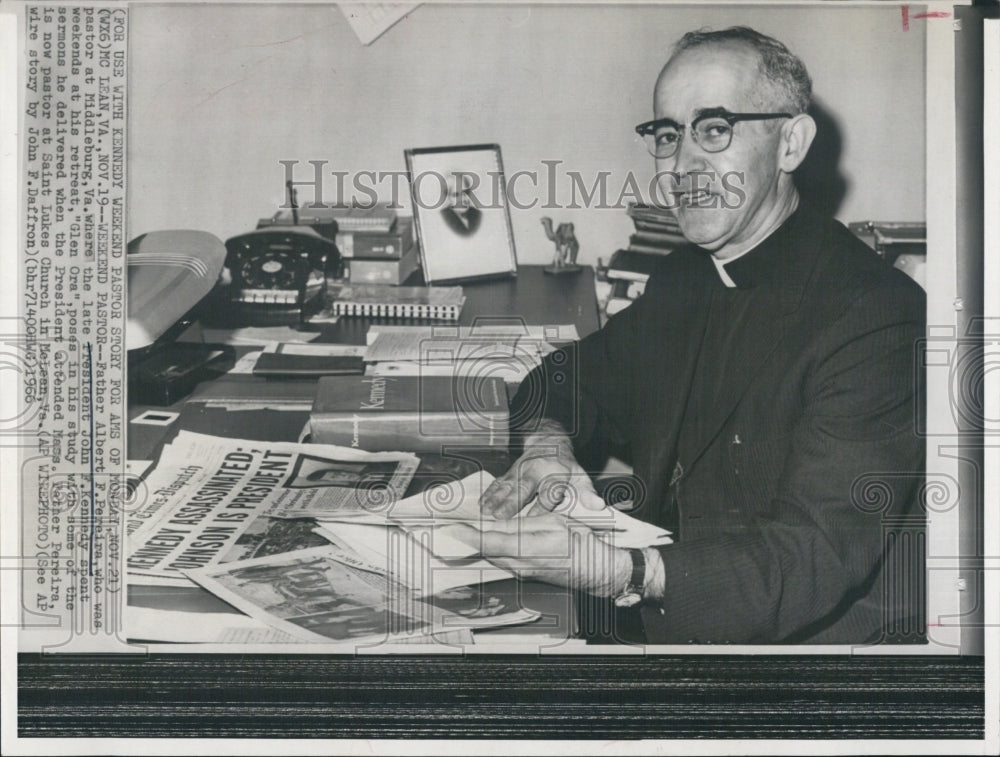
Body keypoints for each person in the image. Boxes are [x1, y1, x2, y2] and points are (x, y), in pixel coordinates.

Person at [457, 26, 926, 644]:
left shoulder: (878, 315)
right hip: (671, 610)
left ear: (791, 143)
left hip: (809, 653)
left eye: (714, 129)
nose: (682, 165)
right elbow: (565, 379)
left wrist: (620, 571)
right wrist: (549, 448)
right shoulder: (685, 275)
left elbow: (809, 559)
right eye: (669, 135)